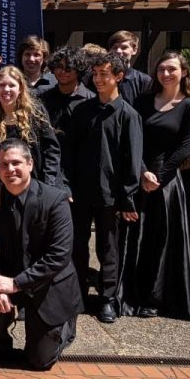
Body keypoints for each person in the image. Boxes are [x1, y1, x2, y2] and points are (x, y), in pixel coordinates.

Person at [0, 140, 81, 371]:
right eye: (3, 165)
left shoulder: (55, 200)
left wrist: (16, 284)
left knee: (39, 361)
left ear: (30, 164)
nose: (10, 170)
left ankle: (64, 325)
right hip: (9, 276)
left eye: (16, 163)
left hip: (47, 284)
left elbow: (59, 255)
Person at [118, 51, 190, 321]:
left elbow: (185, 147)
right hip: (140, 177)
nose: (165, 74)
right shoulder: (143, 101)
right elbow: (133, 137)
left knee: (161, 241)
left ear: (184, 72)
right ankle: (130, 295)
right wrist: (142, 172)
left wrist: (159, 176)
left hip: (166, 184)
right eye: (161, 69)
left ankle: (154, 298)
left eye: (172, 69)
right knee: (135, 240)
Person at [65, 53, 144, 323]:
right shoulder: (82, 111)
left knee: (108, 249)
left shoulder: (129, 115)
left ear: (119, 77)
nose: (98, 79)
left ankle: (108, 298)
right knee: (77, 246)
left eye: (105, 74)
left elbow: (132, 162)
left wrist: (127, 199)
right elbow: (70, 154)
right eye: (96, 74)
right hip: (80, 192)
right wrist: (67, 186)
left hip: (111, 196)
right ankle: (77, 294)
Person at [0, 66, 64, 191]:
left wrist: (49, 184)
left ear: (20, 88)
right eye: (2, 85)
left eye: (11, 85)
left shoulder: (35, 112)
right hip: (3, 188)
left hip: (37, 186)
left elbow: (51, 149)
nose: (6, 89)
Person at [108, 30, 154, 106]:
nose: (118, 51)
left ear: (134, 50)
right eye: (114, 47)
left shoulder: (144, 81)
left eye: (124, 47)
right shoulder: (99, 77)